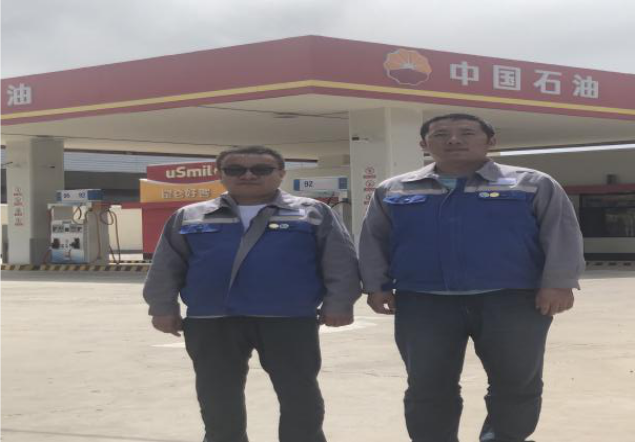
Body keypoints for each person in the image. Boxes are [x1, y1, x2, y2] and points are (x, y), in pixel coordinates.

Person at [360, 113, 585, 442]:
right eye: (441, 134)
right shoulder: (394, 189)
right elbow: (374, 240)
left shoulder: (532, 183)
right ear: (424, 144)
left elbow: (561, 233)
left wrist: (559, 282)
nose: (454, 140)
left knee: (516, 382)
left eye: (466, 133)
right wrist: (376, 286)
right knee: (427, 384)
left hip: (512, 301)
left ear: (490, 141)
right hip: (424, 303)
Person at [143, 145, 361, 442]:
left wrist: (340, 302)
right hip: (212, 320)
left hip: (288, 319)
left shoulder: (312, 212)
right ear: (220, 175)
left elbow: (340, 260)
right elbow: (167, 265)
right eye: (235, 170)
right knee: (216, 396)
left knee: (299, 394)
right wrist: (162, 307)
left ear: (281, 174)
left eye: (261, 169)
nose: (248, 175)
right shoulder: (190, 216)